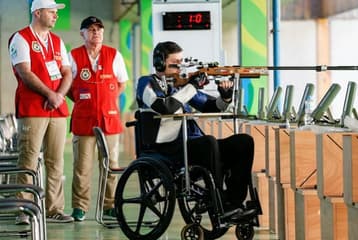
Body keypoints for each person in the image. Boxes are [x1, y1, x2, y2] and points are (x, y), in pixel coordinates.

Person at [136, 41, 256, 221]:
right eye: (175, 63)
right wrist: (191, 86)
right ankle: (218, 202)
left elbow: (212, 107)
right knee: (208, 142)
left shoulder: (179, 86)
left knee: (244, 142)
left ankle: (233, 202)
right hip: (167, 149)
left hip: (190, 144)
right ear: (160, 62)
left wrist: (225, 96)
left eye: (182, 62)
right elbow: (165, 106)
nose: (180, 67)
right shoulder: (146, 83)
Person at [8, 0, 74, 224]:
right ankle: (23, 209)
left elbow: (67, 73)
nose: (56, 15)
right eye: (51, 11)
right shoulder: (21, 38)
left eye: (56, 12)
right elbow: (24, 72)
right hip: (33, 108)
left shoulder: (57, 41)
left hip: (57, 109)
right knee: (28, 158)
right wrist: (50, 94)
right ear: (37, 13)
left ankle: (54, 209)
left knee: (56, 161)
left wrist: (59, 96)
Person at [67, 16, 129, 221]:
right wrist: (82, 100)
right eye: (91, 29)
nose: (96, 32)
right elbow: (67, 86)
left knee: (111, 165)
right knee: (82, 167)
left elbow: (122, 83)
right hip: (84, 121)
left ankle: (109, 205)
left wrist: (107, 99)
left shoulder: (114, 55)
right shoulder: (73, 56)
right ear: (82, 33)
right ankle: (79, 207)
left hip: (109, 121)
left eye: (99, 29)